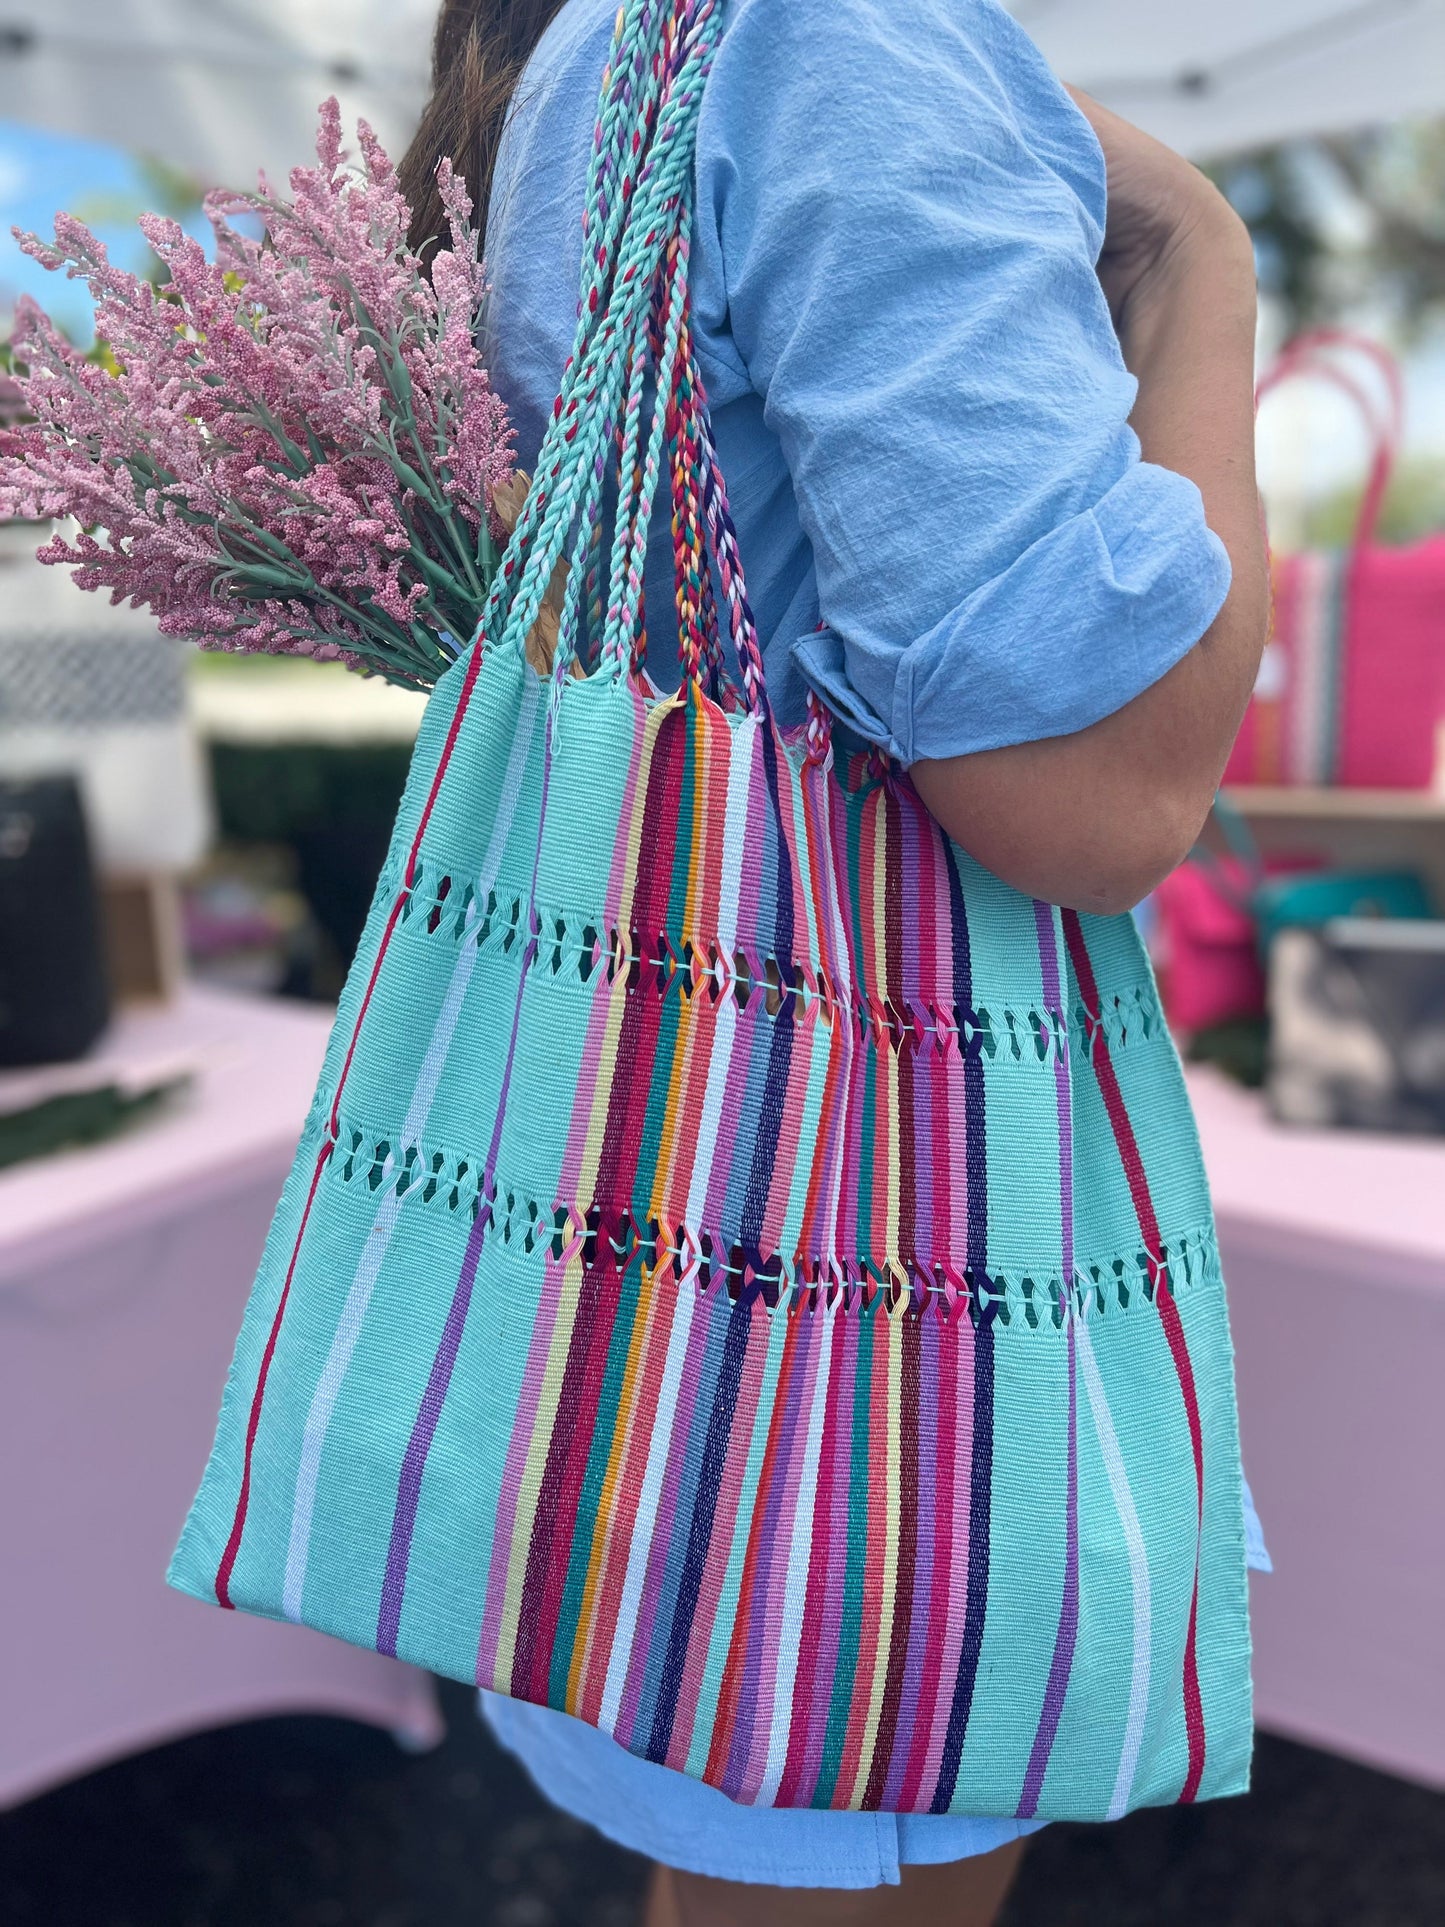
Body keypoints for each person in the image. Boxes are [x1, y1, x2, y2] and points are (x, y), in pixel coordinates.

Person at [400, 2, 1268, 1921]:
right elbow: (1103, 787)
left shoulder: (603, 65)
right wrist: (1204, 262)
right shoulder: (830, 33)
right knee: (826, 1779)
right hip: (862, 1269)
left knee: (724, 1803)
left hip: (650, 1210)